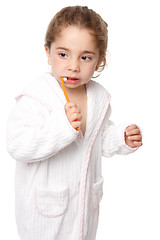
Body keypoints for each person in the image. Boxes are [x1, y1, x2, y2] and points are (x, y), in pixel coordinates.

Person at [7, 6, 142, 240]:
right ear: (48, 52)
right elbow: (17, 145)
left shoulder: (99, 98)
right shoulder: (36, 97)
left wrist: (120, 138)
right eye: (63, 54)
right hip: (45, 214)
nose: (73, 66)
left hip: (84, 208)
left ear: (100, 60)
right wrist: (62, 127)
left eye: (85, 57)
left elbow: (96, 140)